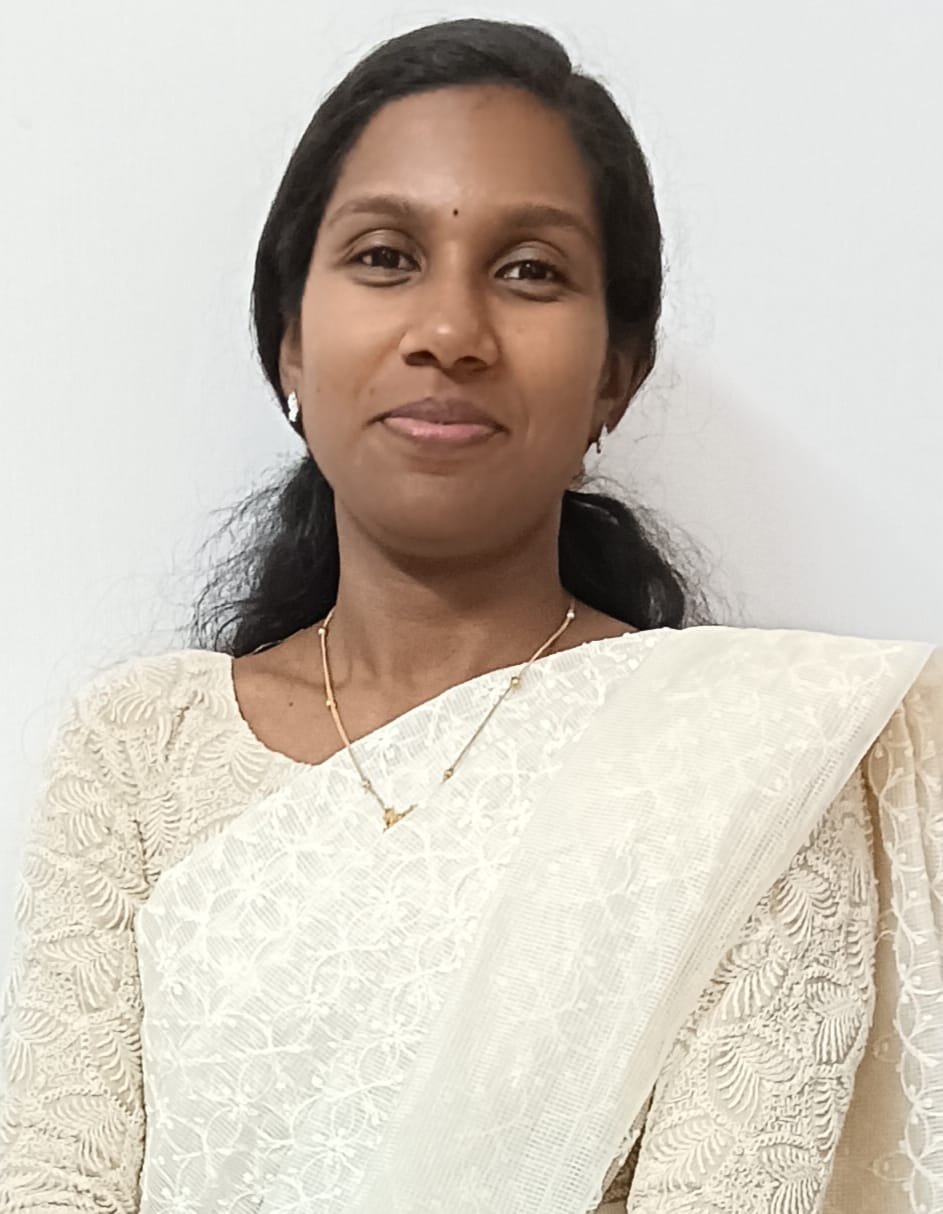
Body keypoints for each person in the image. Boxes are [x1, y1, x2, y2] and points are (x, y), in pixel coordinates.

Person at [0, 17, 940, 1214]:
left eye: (530, 270)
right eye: (385, 256)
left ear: (615, 372)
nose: (448, 332)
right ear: (289, 342)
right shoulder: (139, 749)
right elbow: (55, 1183)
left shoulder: (749, 768)